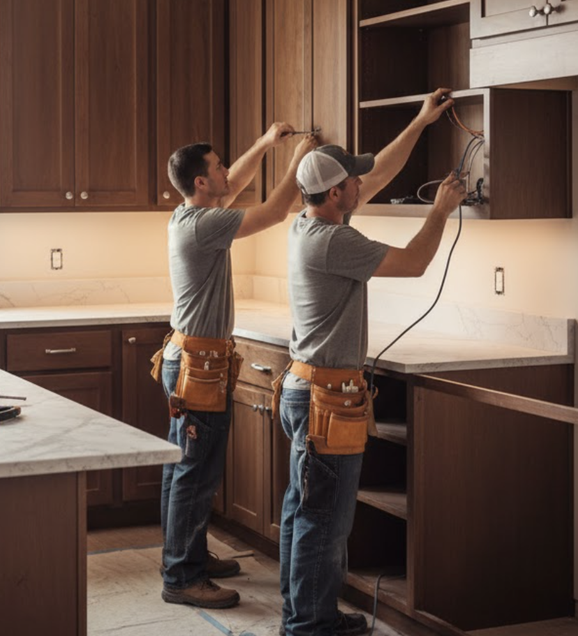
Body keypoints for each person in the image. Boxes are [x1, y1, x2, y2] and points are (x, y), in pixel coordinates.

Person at [277, 89, 467, 636]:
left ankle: (303, 613)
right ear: (337, 193)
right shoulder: (337, 241)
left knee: (302, 508)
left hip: (305, 391)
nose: (364, 183)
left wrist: (421, 121)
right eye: (353, 181)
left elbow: (379, 173)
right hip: (326, 401)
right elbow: (414, 264)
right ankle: (310, 624)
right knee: (323, 520)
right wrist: (441, 210)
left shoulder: (306, 222)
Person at [155, 122, 318, 610]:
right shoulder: (206, 225)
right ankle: (184, 577)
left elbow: (237, 185)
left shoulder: (191, 215)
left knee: (181, 468)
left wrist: (267, 145)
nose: (227, 171)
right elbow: (272, 211)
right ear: (201, 181)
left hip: (187, 358)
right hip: (198, 366)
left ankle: (185, 557)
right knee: (194, 474)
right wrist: (297, 165)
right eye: (218, 166)